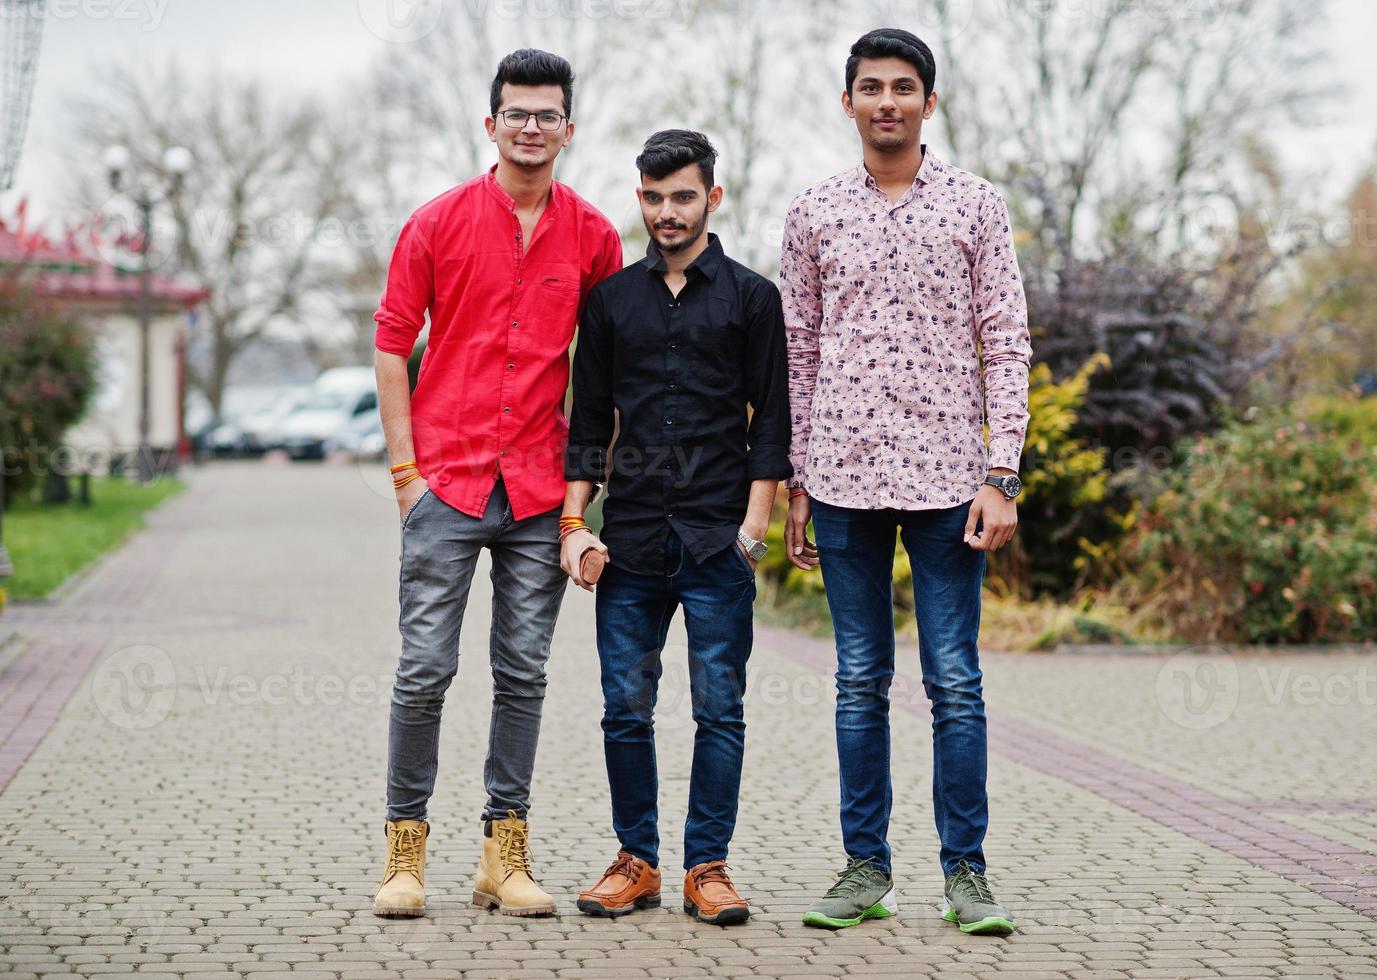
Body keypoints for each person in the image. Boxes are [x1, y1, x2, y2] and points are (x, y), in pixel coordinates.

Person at [781, 28, 1032, 936]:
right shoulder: (811, 212)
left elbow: (1005, 340)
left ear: (931, 101)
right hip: (842, 480)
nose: (886, 101)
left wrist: (1001, 473)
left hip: (947, 482)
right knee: (858, 680)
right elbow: (797, 354)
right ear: (845, 101)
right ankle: (863, 870)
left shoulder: (975, 206)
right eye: (869, 88)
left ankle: (966, 873)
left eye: (903, 87)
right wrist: (798, 481)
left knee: (954, 681)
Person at [371, 48, 623, 919]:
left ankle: (502, 857)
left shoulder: (593, 237)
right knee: (422, 670)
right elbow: (391, 343)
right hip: (444, 481)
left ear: (568, 129)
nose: (529, 126)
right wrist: (406, 474)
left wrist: (580, 503)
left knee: (523, 673)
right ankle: (406, 856)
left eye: (545, 113)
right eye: (515, 112)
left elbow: (603, 373)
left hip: (537, 493)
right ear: (491, 124)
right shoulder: (436, 223)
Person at [561, 129, 791, 926]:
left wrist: (751, 530)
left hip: (716, 539)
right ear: (641, 199)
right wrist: (572, 523)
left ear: (711, 199)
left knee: (717, 709)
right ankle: (636, 861)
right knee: (624, 707)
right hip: (626, 542)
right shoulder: (612, 301)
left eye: (682, 196)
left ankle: (707, 866)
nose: (667, 211)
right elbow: (588, 419)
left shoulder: (753, 298)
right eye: (653, 197)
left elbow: (773, 422)